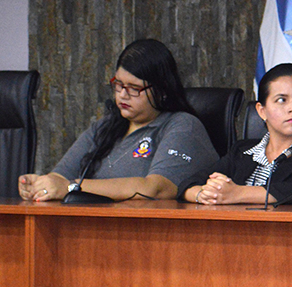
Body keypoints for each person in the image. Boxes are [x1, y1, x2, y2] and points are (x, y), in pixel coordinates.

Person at [18, 39, 217, 201]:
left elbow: (155, 189)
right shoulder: (106, 126)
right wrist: (41, 185)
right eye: (118, 84)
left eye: (134, 88)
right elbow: (61, 175)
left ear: (162, 90)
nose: (122, 95)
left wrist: (71, 187)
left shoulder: (182, 125)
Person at [177, 63, 292, 205]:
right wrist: (204, 195)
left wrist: (237, 193)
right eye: (282, 100)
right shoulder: (242, 151)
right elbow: (188, 184)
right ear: (262, 111)